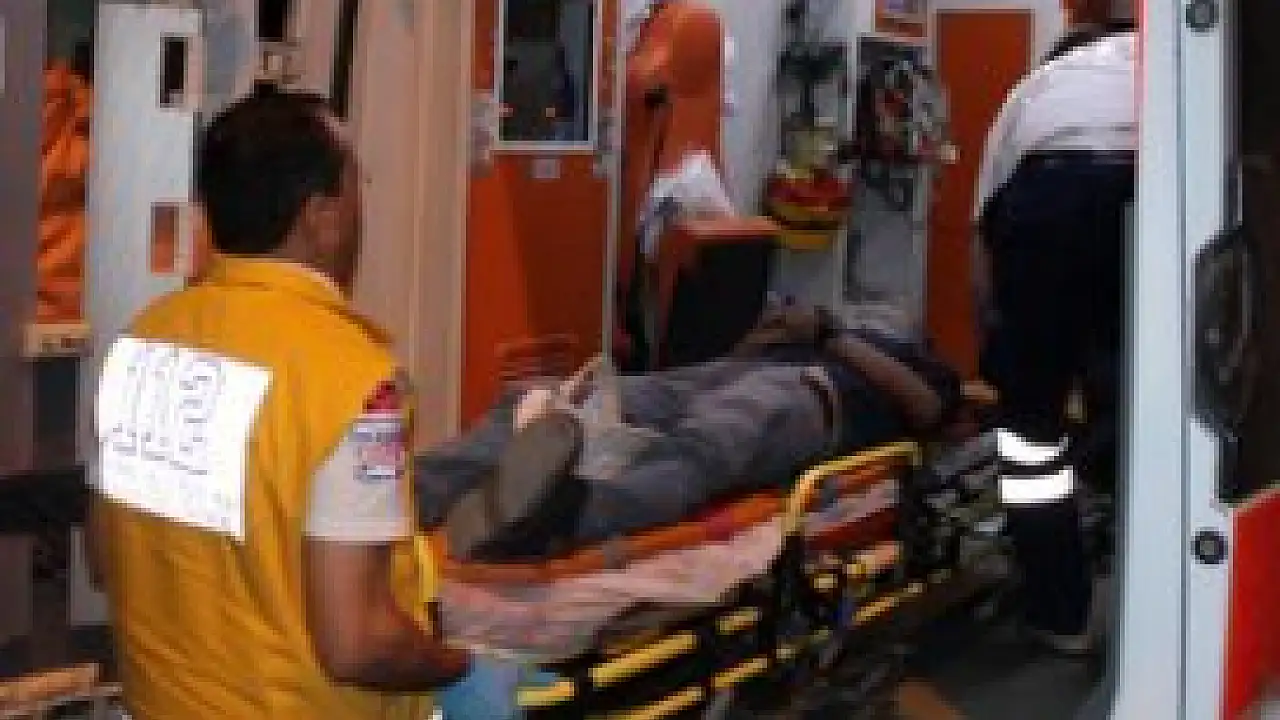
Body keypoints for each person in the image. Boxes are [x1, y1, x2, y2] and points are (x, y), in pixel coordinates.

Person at [85, 85, 519, 719]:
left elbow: (105, 560)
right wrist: (459, 670)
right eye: (357, 185)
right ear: (323, 215)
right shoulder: (351, 380)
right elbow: (358, 644)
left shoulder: (141, 345)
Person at [422, 304, 962, 562]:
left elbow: (927, 409)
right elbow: (742, 355)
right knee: (560, 398)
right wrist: (779, 329)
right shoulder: (827, 331)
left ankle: (560, 514)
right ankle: (421, 489)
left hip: (813, 398)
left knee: (697, 450)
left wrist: (833, 337)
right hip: (731, 372)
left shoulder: (920, 366)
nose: (874, 312)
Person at [971, 22, 1136, 654]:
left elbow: (983, 251)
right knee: (1138, 396)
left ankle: (1059, 614)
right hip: (1144, 187)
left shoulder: (1029, 91)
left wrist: (1004, 361)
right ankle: (1149, 593)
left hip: (1048, 196)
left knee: (1031, 433)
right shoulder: (1152, 60)